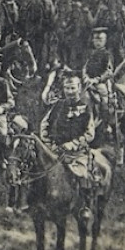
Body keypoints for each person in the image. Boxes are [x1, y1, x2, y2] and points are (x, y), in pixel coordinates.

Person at [40, 72, 101, 220]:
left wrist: (73, 144)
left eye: (73, 88)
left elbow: (89, 133)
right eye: (67, 88)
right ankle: (38, 203)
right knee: (41, 170)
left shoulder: (85, 107)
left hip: (76, 152)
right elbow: (44, 125)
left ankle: (85, 206)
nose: (70, 92)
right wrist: (50, 144)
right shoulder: (57, 105)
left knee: (82, 173)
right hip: (55, 150)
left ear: (79, 88)